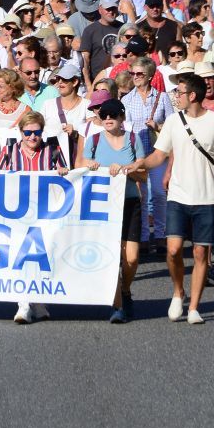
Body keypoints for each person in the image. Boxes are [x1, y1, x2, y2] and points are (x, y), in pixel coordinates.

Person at [123, 72, 214, 325]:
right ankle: (178, 292)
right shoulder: (173, 121)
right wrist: (140, 163)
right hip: (178, 195)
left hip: (206, 196)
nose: (175, 97)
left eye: (179, 92)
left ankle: (194, 307)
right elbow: (159, 155)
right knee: (173, 251)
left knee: (200, 254)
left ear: (192, 95)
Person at [0, 110, 68, 324]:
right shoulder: (7, 152)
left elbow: (66, 176)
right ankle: (23, 304)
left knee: (43, 256)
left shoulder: (52, 151)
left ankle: (39, 300)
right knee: (21, 259)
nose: (32, 137)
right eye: (27, 133)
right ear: (20, 132)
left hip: (45, 213)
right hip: (18, 214)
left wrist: (63, 172)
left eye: (37, 132)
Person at [78, 99, 146, 323]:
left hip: (129, 202)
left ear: (122, 118)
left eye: (113, 115)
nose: (107, 119)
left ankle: (126, 291)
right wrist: (92, 167)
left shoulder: (133, 140)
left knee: (132, 257)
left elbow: (144, 174)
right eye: (104, 115)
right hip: (102, 205)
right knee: (112, 256)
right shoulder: (94, 140)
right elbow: (81, 169)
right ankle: (117, 305)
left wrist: (127, 170)